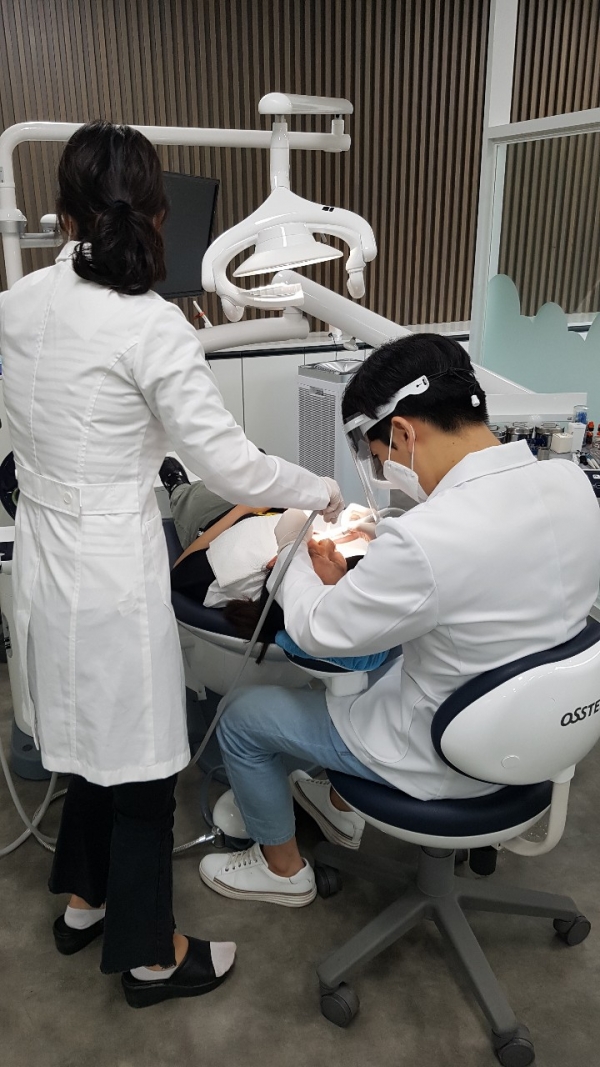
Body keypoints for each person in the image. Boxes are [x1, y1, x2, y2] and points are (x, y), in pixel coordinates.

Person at [0, 120, 343, 1005]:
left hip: (44, 554)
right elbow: (231, 467)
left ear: (65, 212)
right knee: (146, 764)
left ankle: (85, 903)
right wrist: (319, 489)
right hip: (107, 562)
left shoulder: (19, 302)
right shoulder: (149, 325)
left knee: (87, 742)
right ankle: (152, 957)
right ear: (155, 214)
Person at [198, 333, 600, 908]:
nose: (386, 472)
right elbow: (493, 572)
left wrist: (289, 560)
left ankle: (281, 871)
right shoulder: (571, 483)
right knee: (384, 669)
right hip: (548, 735)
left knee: (243, 716)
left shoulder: (426, 539)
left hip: (445, 754)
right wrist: (380, 544)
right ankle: (336, 806)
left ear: (406, 432)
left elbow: (318, 631)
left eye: (380, 457)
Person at [160, 458, 386, 670]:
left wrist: (246, 507)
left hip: (216, 518)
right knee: (255, 467)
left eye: (314, 553)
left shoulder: (228, 573)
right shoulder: (320, 579)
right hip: (269, 510)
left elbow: (180, 569)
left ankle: (177, 488)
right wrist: (357, 530)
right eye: (336, 557)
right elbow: (322, 544)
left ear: (276, 563)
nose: (327, 543)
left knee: (196, 496)